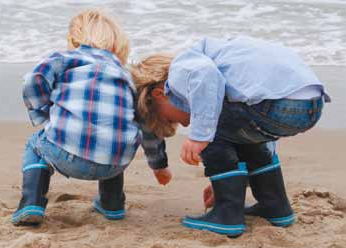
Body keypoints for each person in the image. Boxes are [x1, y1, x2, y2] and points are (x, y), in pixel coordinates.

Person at [131, 36, 330, 237]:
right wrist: (229, 185)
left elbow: (205, 75)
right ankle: (276, 206)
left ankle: (227, 216)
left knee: (210, 123)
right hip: (310, 104)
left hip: (276, 102)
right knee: (228, 125)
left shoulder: (181, 68)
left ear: (160, 94)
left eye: (169, 119)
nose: (184, 123)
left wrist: (199, 136)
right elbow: (257, 140)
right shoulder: (224, 63)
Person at [13, 9, 172, 226]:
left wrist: (43, 111)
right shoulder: (127, 76)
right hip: (115, 164)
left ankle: (31, 203)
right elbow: (146, 123)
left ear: (74, 39)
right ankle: (112, 204)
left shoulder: (64, 59)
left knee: (35, 145)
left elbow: (34, 79)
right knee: (115, 133)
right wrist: (159, 166)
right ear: (117, 46)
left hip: (66, 155)